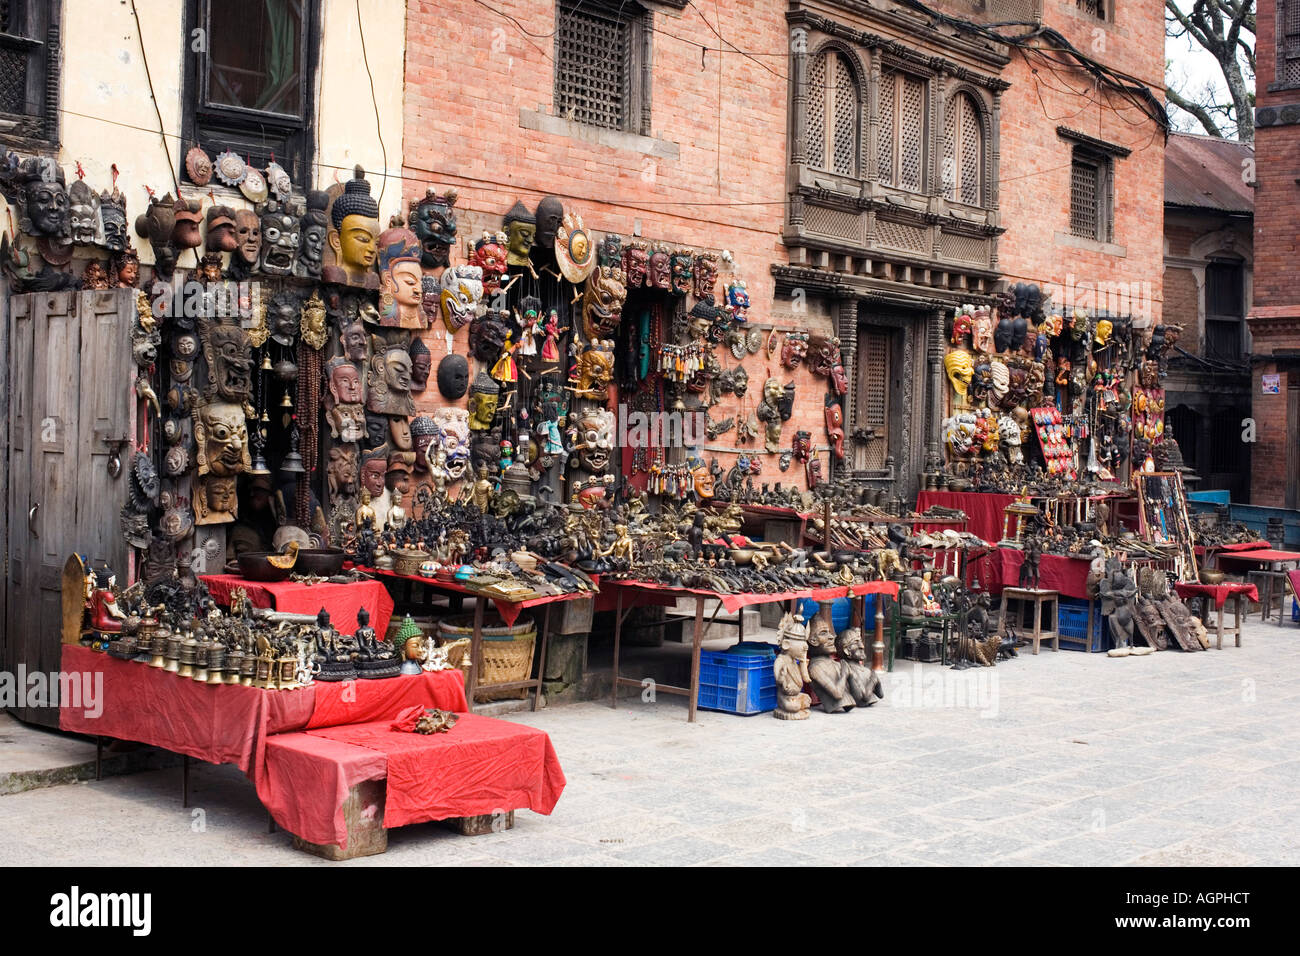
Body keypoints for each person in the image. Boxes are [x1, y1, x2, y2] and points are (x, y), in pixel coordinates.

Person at [228, 475, 278, 562]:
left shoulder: (277, 528)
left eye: (258, 489)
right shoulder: (240, 526)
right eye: (250, 490)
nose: (252, 494)